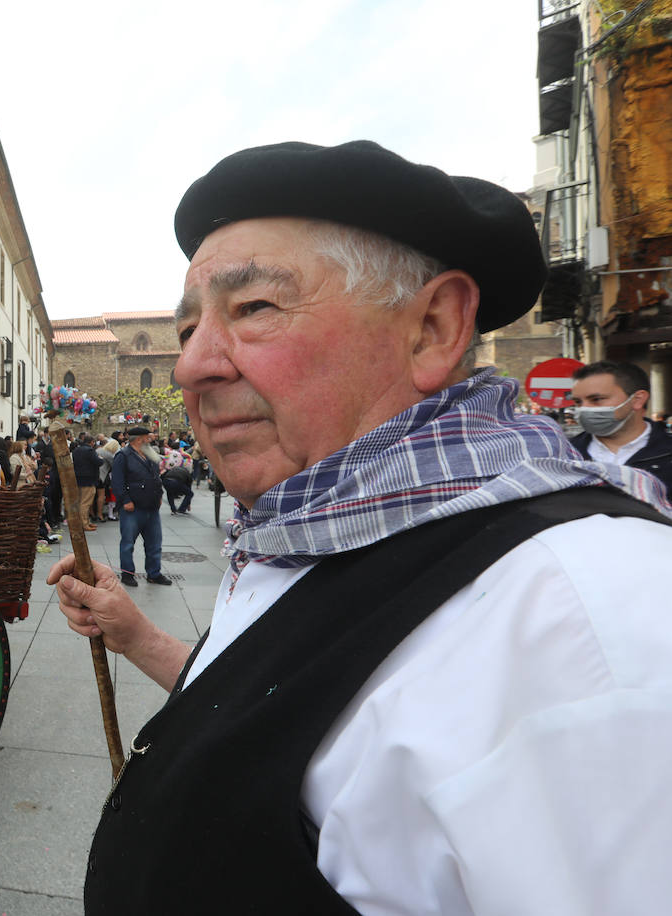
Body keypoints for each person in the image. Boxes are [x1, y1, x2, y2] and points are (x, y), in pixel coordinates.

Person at [48, 139, 672, 914]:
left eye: (254, 309)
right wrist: (136, 635)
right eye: (185, 331)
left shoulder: (583, 619)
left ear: (433, 328)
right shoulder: (312, 530)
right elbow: (289, 709)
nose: (192, 367)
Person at [569, 359, 672, 490]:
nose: (584, 409)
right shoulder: (564, 456)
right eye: (578, 402)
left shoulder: (667, 453)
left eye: (596, 399)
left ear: (637, 400)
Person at [107, 426, 169, 586]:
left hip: (151, 506)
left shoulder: (150, 453)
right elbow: (117, 481)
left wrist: (160, 495)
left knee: (155, 543)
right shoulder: (123, 455)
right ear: (139, 439)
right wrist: (125, 500)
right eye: (147, 437)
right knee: (128, 543)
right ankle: (127, 574)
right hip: (132, 508)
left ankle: (154, 573)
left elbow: (157, 478)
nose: (150, 440)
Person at [70, 433, 103, 531]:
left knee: (81, 501)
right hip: (89, 479)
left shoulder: (76, 450)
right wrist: (101, 458)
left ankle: (86, 521)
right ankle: (84, 524)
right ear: (92, 442)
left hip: (78, 478)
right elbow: (98, 462)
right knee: (85, 503)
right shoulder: (90, 450)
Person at [160, 448, 194, 515]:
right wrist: (188, 503)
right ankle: (181, 509)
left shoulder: (175, 468)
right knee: (190, 493)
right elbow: (189, 488)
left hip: (166, 481)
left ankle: (173, 510)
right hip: (176, 481)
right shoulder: (187, 473)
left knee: (170, 493)